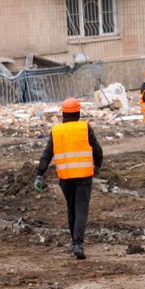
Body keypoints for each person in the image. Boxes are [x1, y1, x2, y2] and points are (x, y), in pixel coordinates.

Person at [35, 97, 103, 260]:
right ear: (78, 114)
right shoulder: (85, 128)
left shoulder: (57, 131)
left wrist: (39, 174)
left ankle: (74, 242)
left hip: (65, 178)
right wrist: (97, 166)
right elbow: (98, 150)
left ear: (63, 114)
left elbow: (47, 155)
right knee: (81, 209)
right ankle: (78, 243)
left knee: (71, 208)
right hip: (84, 176)